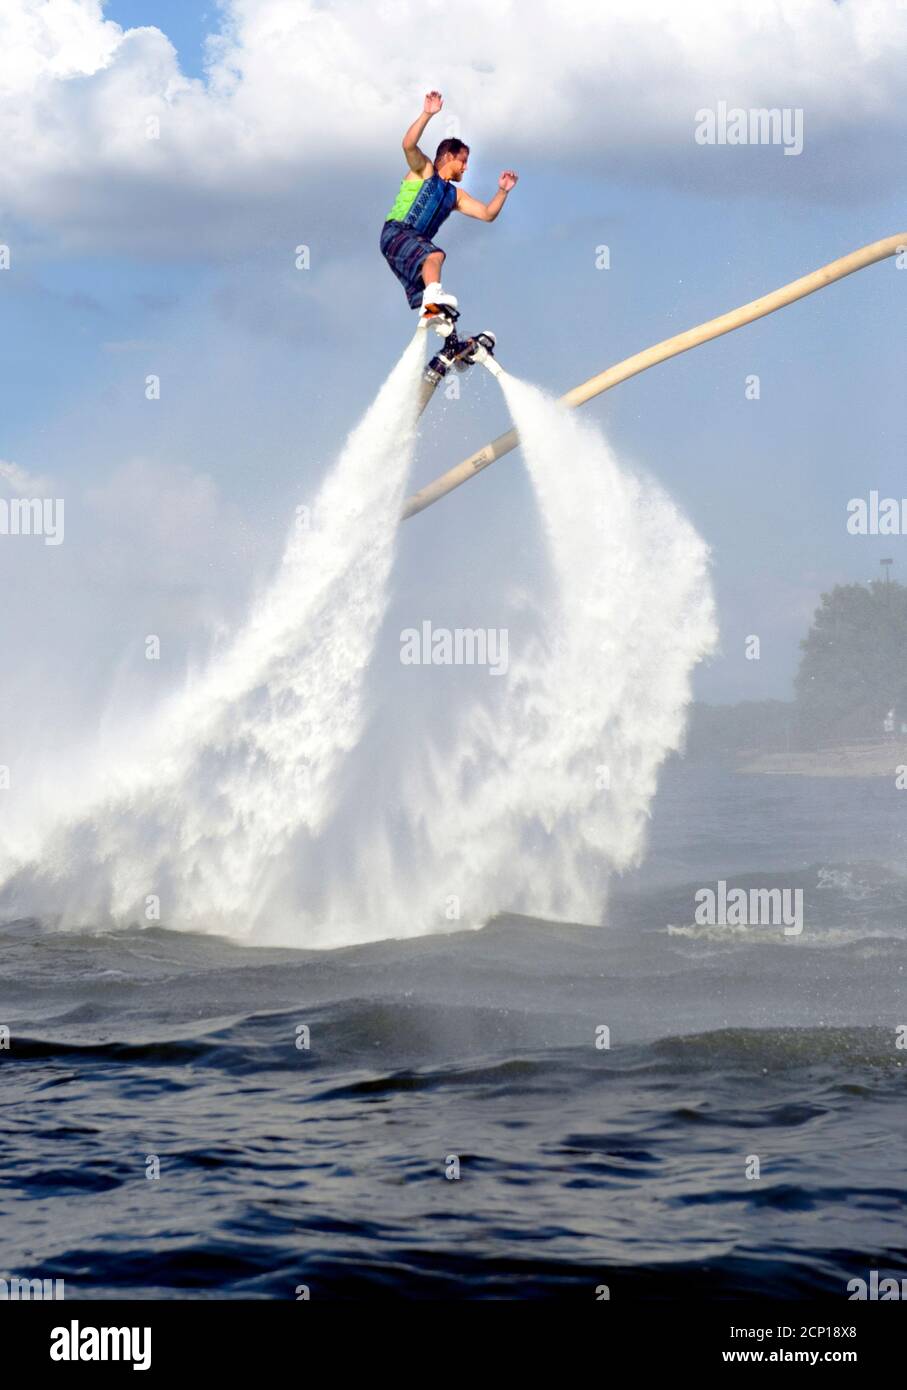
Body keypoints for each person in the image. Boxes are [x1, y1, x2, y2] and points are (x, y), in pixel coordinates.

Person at [379, 90, 518, 316]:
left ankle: (441, 328)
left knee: (436, 299)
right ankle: (433, 300)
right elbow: (408, 145)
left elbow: (487, 214)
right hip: (396, 233)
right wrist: (427, 114)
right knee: (435, 257)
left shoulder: (456, 196)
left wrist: (502, 191)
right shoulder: (423, 169)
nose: (466, 167)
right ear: (448, 157)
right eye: (463, 161)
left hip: (411, 246)